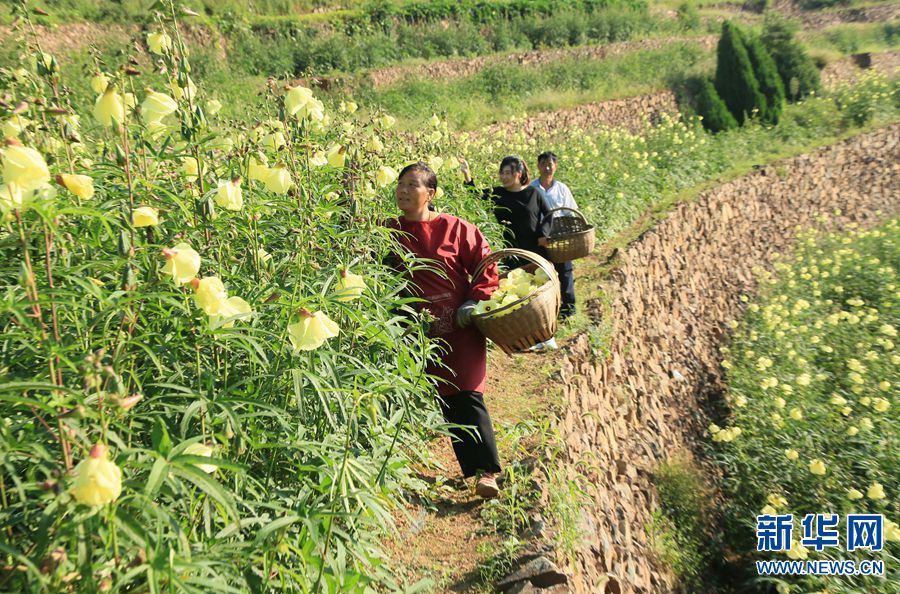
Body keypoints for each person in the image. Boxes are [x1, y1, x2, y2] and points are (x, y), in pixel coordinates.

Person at [387, 162, 503, 498]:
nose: (403, 191)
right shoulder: (389, 231)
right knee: (446, 400)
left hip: (460, 325)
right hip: (417, 331)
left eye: (412, 185)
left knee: (466, 393)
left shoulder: (456, 229)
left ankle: (486, 473)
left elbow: (485, 264)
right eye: (400, 184)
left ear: (431, 194)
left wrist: (475, 301)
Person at [459, 154, 558, 350]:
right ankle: (523, 338)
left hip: (534, 251)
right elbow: (476, 195)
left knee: (541, 293)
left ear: (518, 174)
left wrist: (544, 234)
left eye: (507, 173)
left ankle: (547, 335)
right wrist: (467, 175)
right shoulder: (498, 194)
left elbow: (549, 214)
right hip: (510, 254)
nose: (503, 177)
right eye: (501, 173)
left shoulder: (533, 194)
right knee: (516, 297)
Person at [530, 151, 578, 320]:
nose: (548, 168)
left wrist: (571, 233)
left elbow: (571, 212)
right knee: (543, 273)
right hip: (540, 236)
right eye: (544, 164)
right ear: (538, 166)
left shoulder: (562, 189)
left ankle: (569, 308)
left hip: (560, 235)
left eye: (551, 164)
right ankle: (547, 311)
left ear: (556, 166)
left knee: (565, 271)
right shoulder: (531, 188)